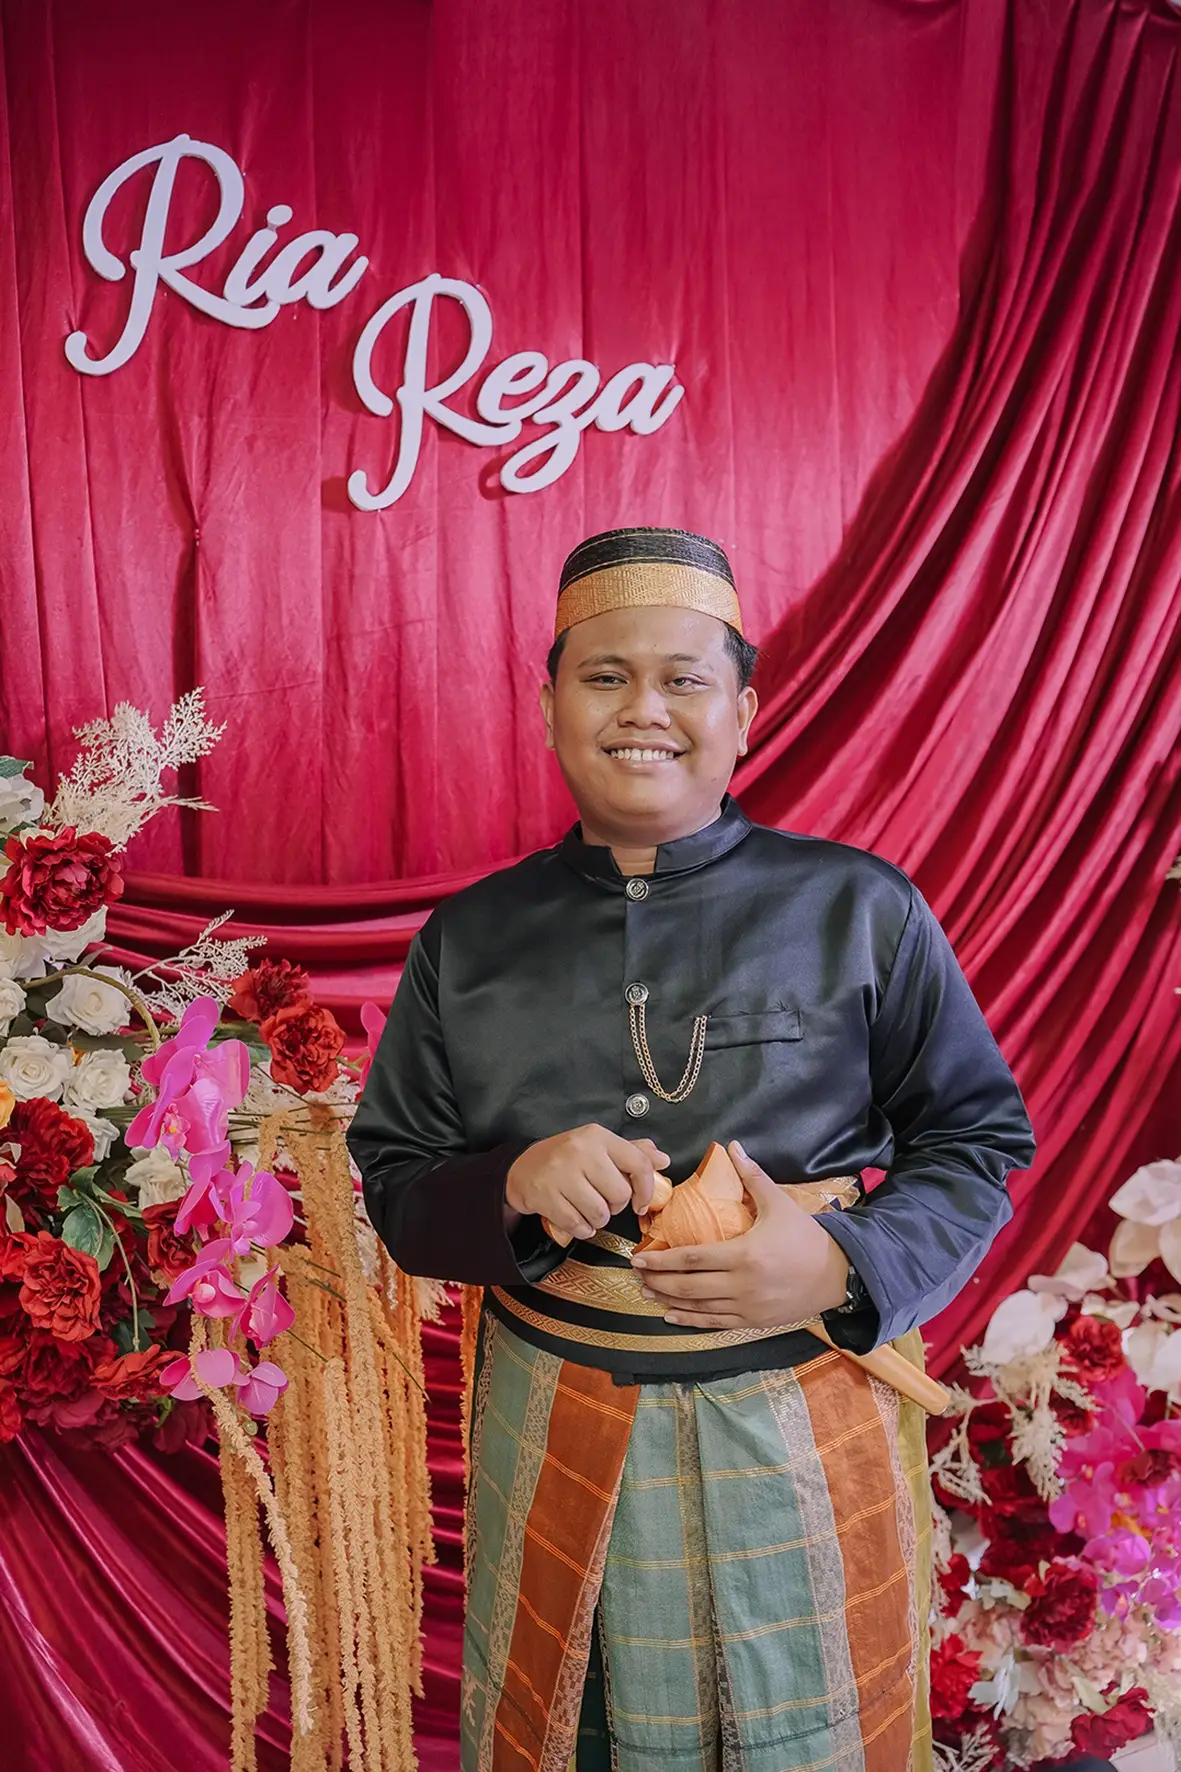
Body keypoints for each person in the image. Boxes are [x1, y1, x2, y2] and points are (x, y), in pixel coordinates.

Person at [348, 526, 1036, 1772]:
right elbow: (394, 1179)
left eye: (683, 678)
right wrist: (508, 1183)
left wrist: (842, 1262)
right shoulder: (469, 937)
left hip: (806, 1404)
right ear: (548, 705)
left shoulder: (859, 905)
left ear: (744, 712)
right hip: (553, 1408)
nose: (642, 710)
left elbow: (973, 1135)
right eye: (603, 676)